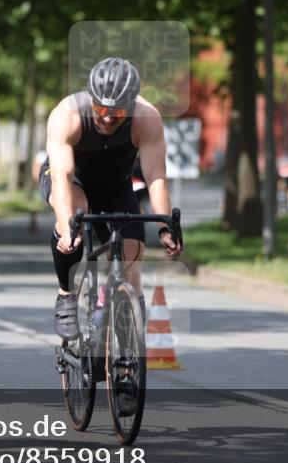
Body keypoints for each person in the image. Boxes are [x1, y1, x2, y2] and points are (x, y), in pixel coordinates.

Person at [39, 57, 182, 340]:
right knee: (75, 214)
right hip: (70, 180)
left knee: (131, 257)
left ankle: (129, 344)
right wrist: (67, 226)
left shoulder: (146, 118)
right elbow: (62, 178)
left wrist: (165, 227)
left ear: (130, 107)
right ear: (91, 99)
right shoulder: (67, 115)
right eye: (101, 109)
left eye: (116, 113)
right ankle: (66, 295)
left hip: (115, 185)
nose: (107, 117)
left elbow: (156, 177)